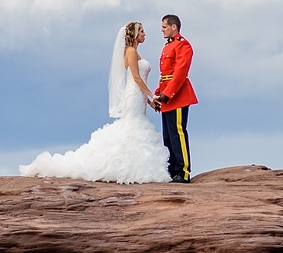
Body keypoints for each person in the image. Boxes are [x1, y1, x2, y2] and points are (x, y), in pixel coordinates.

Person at [19, 22, 171, 183]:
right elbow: (136, 78)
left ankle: (135, 165)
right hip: (134, 95)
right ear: (134, 34)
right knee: (133, 126)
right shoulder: (131, 52)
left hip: (138, 95)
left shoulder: (134, 52)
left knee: (134, 126)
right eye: (141, 31)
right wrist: (153, 97)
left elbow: (137, 82)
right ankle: (126, 166)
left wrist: (149, 101)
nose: (144, 34)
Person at [153, 14, 197, 183]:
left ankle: (183, 171)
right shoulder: (168, 47)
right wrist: (159, 94)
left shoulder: (182, 45)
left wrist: (167, 94)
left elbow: (180, 73)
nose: (162, 30)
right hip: (167, 96)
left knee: (178, 133)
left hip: (178, 96)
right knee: (168, 136)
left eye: (164, 27)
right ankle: (172, 171)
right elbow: (165, 75)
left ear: (174, 27)